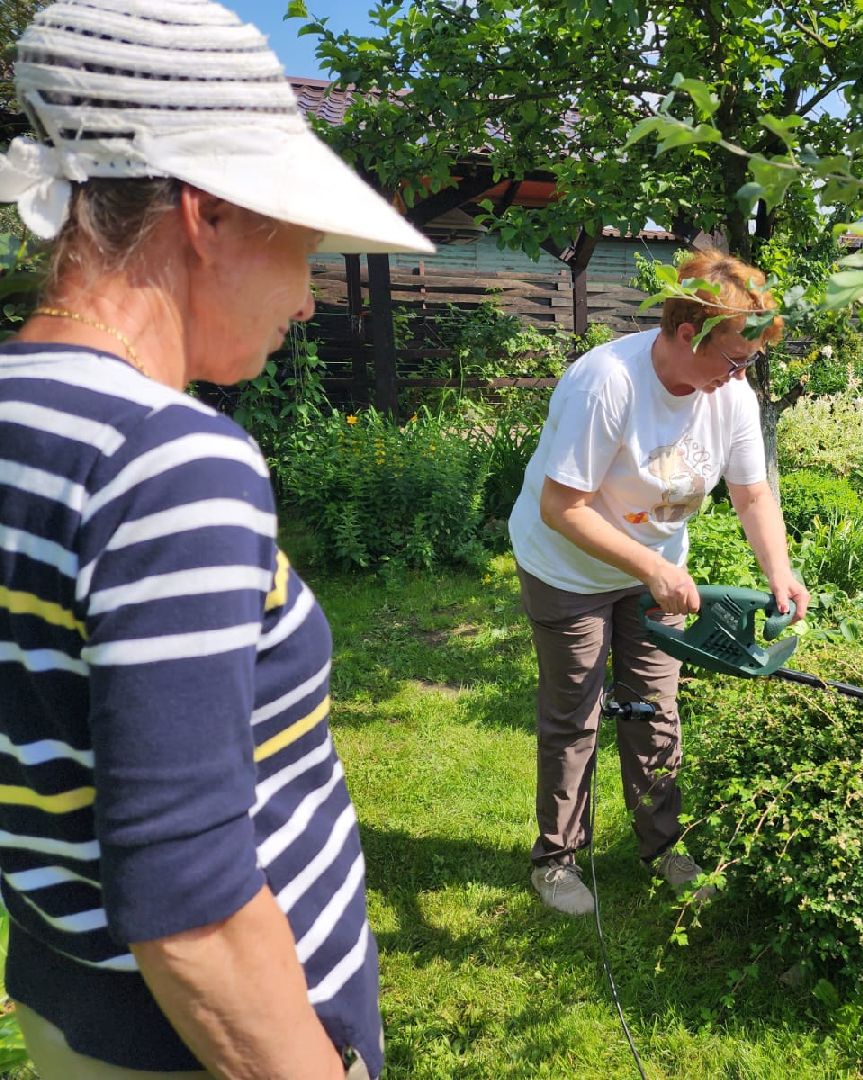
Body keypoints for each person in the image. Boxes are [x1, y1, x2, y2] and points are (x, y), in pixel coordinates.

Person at [0, 1, 432, 1076]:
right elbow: (189, 912)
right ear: (210, 215)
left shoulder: (24, 416)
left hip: (66, 1001)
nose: (311, 291)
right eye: (303, 239)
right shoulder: (168, 461)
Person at [508, 252, 810, 916]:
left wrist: (780, 573)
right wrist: (652, 567)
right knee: (575, 715)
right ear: (686, 333)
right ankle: (557, 860)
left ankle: (662, 846)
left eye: (749, 363)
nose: (740, 375)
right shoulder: (608, 384)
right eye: (734, 358)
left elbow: (753, 494)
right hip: (570, 566)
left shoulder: (729, 398)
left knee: (654, 709)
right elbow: (563, 509)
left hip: (655, 569)